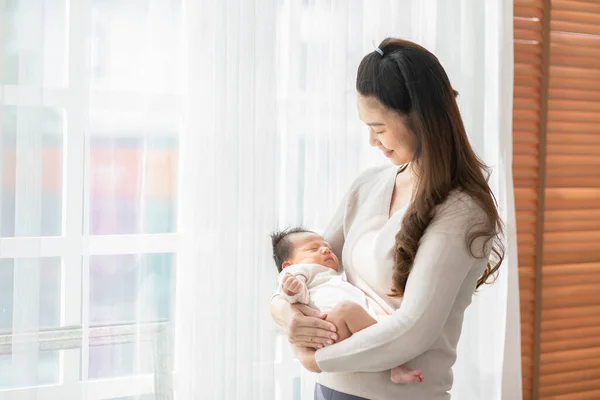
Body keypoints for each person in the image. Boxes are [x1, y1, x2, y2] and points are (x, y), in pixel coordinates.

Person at [270, 37, 504, 400]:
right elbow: (308, 264)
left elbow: (413, 330)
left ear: (421, 117)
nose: (372, 141)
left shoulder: (462, 211)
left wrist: (317, 358)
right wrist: (286, 316)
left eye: (378, 128)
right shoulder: (367, 187)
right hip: (329, 391)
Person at [271, 227, 424, 384]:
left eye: (328, 247)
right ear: (288, 265)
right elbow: (294, 295)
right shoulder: (299, 271)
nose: (325, 250)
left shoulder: (333, 274)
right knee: (347, 310)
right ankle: (395, 364)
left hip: (344, 322)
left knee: (387, 320)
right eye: (313, 249)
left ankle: (393, 363)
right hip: (327, 326)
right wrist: (292, 289)